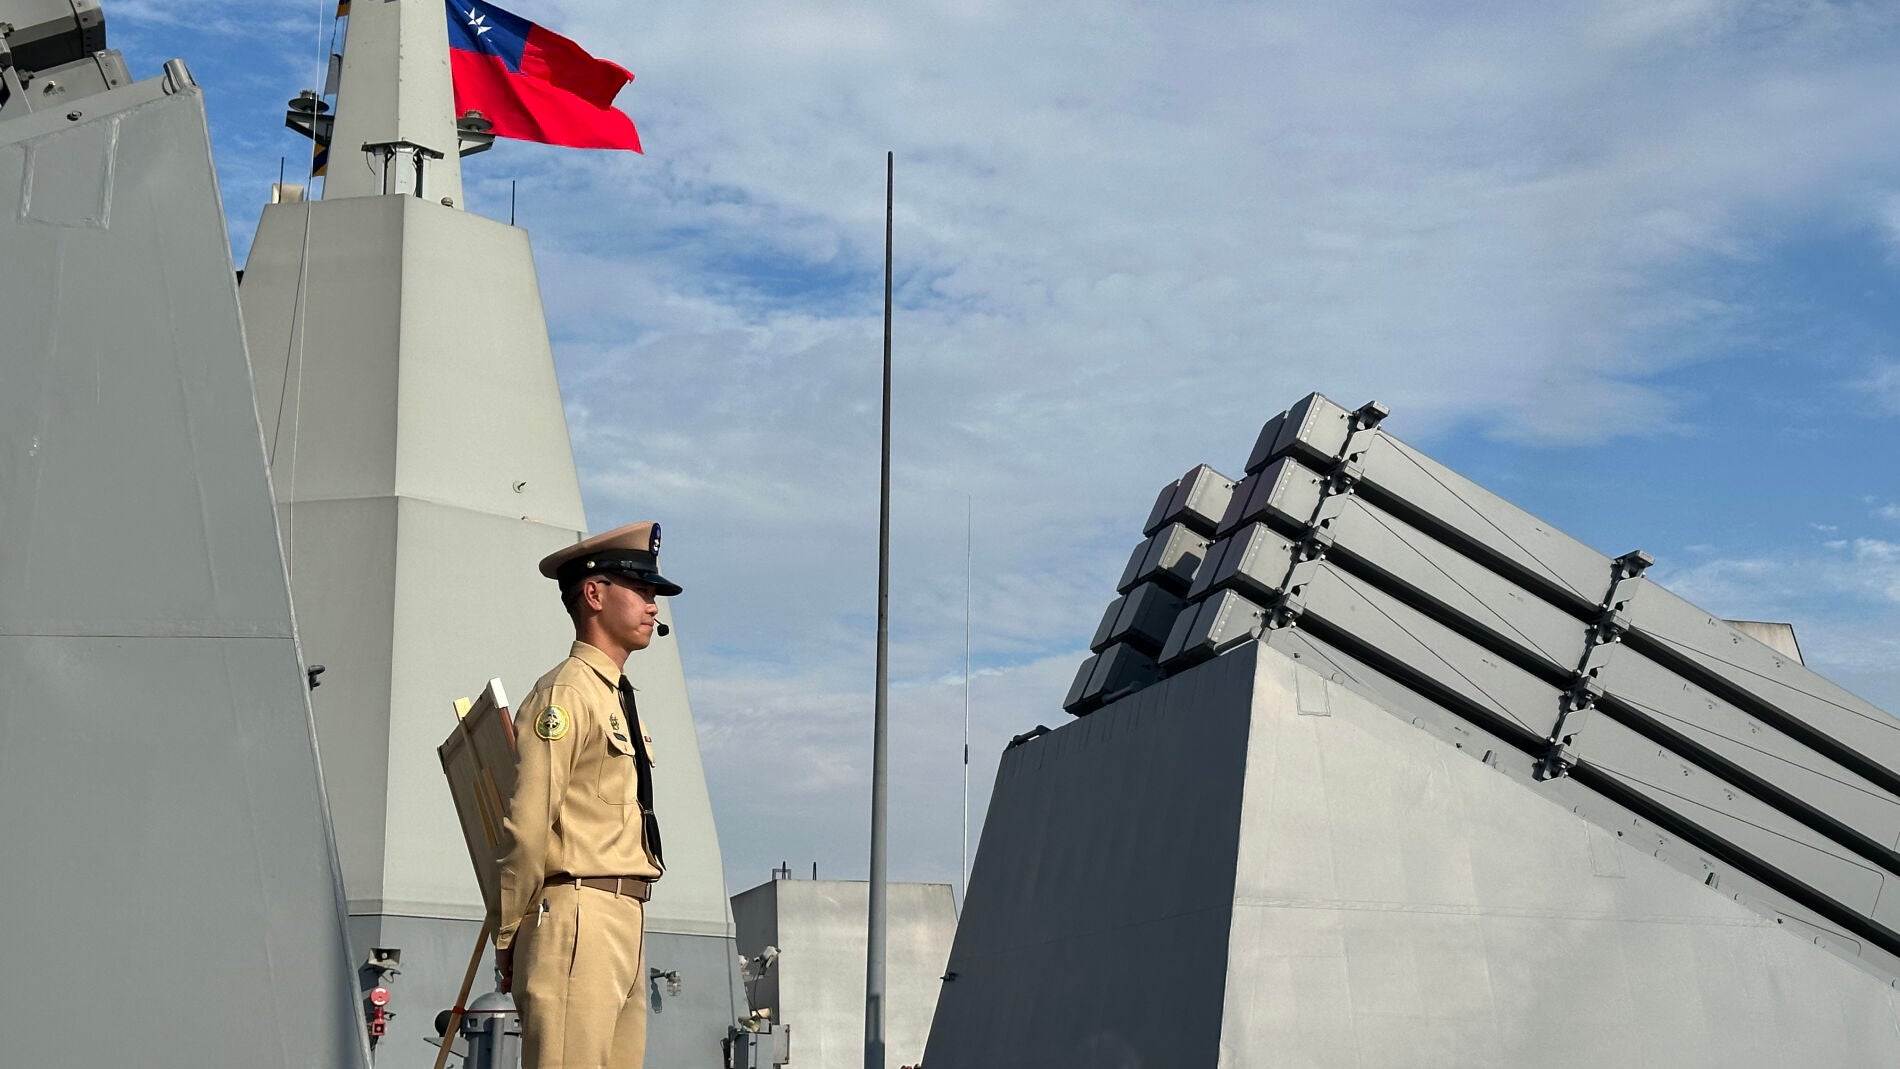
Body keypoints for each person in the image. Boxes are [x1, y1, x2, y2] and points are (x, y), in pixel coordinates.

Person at [491, 520, 678, 1069]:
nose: (652, 606)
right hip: (578, 913)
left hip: (623, 915)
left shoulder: (614, 695)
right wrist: (510, 929)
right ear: (594, 594)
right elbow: (528, 823)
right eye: (639, 589)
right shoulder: (566, 692)